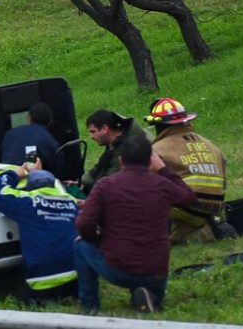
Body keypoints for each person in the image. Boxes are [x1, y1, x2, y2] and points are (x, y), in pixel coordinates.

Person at [73, 135, 196, 315]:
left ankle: (89, 306)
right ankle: (148, 296)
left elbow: (84, 224)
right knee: (150, 281)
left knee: (80, 245)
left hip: (118, 268)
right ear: (150, 160)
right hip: (156, 272)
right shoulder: (162, 184)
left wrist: (97, 240)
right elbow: (189, 197)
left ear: (121, 160)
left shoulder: (105, 185)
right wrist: (163, 170)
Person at [0, 164, 79, 304]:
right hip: (76, 277)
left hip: (42, 280)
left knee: (20, 300)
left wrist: (16, 174)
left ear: (29, 188)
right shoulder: (70, 201)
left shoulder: (26, 201)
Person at [145, 98, 228, 244]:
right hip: (214, 209)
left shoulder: (158, 150)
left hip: (186, 208)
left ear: (159, 125)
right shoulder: (210, 145)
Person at [78, 110, 149, 195]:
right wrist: (82, 182)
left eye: (93, 132)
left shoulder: (129, 147)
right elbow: (100, 167)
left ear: (105, 129)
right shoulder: (115, 141)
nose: (91, 137)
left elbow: (113, 181)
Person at [0, 102, 61, 170]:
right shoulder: (49, 140)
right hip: (29, 176)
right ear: (50, 120)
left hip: (6, 175)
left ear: (29, 117)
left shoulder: (10, 134)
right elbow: (59, 169)